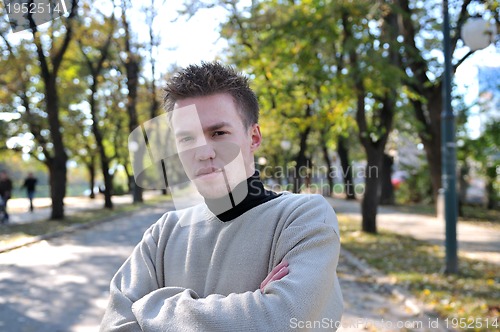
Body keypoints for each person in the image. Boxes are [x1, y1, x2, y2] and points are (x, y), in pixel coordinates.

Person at [100, 62, 343, 331]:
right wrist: (252, 308)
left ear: (253, 137)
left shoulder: (303, 217)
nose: (204, 152)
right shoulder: (163, 234)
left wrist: (149, 308)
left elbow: (281, 321)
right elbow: (115, 326)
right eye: (187, 139)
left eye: (218, 133)